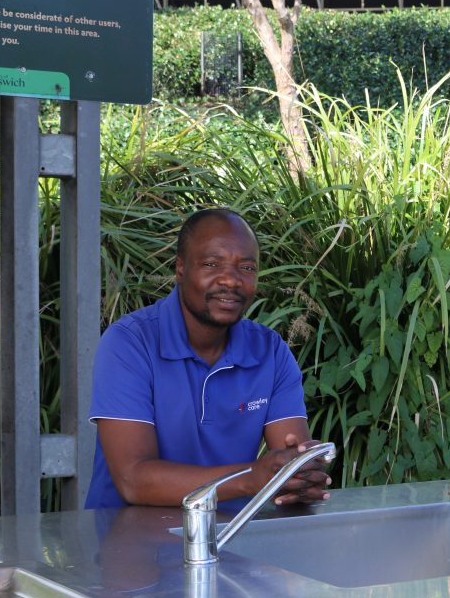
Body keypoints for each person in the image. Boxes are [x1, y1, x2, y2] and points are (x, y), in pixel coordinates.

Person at [85, 208, 330, 509]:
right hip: (130, 535)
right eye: (212, 264)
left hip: (231, 532)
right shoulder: (131, 343)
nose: (231, 280)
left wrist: (301, 475)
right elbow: (133, 480)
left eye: (247, 268)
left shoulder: (270, 352)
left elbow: (290, 463)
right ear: (180, 268)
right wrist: (250, 478)